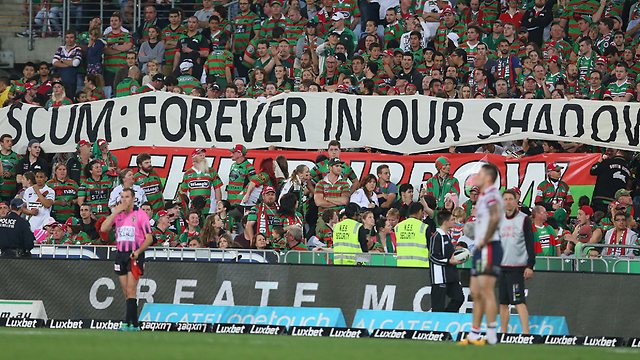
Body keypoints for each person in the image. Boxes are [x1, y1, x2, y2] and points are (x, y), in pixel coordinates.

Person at [460, 163, 503, 346]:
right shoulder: (484, 196)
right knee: (475, 292)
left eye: (480, 173)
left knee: (486, 290)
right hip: (481, 247)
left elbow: (494, 217)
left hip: (489, 246)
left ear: (488, 177)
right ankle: (474, 334)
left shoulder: (492, 194)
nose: (477, 175)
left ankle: (492, 333)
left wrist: (484, 238)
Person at [100, 188, 153, 332]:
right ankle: (133, 323)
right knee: (126, 292)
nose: (124, 200)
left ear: (134, 198)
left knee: (131, 289)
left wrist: (138, 251)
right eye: (122, 197)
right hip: (120, 254)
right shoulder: (118, 215)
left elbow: (149, 238)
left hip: (134, 254)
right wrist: (115, 211)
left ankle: (127, 323)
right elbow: (104, 229)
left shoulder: (140, 215)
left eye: (127, 197)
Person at [499, 189, 535, 334]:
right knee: (502, 302)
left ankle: (526, 333)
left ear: (516, 201)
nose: (508, 202)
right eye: (505, 199)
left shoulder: (524, 219)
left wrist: (530, 265)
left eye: (510, 199)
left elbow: (530, 243)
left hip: (517, 267)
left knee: (519, 301)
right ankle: (503, 332)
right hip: (501, 266)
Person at [429, 209, 464, 312]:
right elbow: (432, 256)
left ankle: (447, 317)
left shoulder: (448, 235)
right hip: (440, 277)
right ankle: (438, 325)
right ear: (446, 222)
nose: (454, 221)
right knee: (438, 306)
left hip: (451, 275)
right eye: (452, 219)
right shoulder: (436, 236)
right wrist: (448, 261)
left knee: (459, 298)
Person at [177, 148, 223, 216]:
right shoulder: (187, 173)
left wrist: (219, 203)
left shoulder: (211, 171)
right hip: (193, 209)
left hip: (210, 209)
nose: (203, 157)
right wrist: (184, 207)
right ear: (194, 158)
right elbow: (184, 192)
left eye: (204, 155)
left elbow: (217, 189)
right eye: (200, 155)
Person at [395, 202, 430, 268]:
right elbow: (430, 248)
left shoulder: (398, 227)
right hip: (421, 267)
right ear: (420, 211)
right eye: (423, 213)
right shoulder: (424, 227)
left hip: (402, 266)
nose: (423, 216)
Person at [0, 134, 21, 201]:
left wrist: (12, 174)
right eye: (7, 141)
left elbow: (23, 172)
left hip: (13, 194)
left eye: (11, 141)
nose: (10, 143)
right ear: (1, 143)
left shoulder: (18, 157)